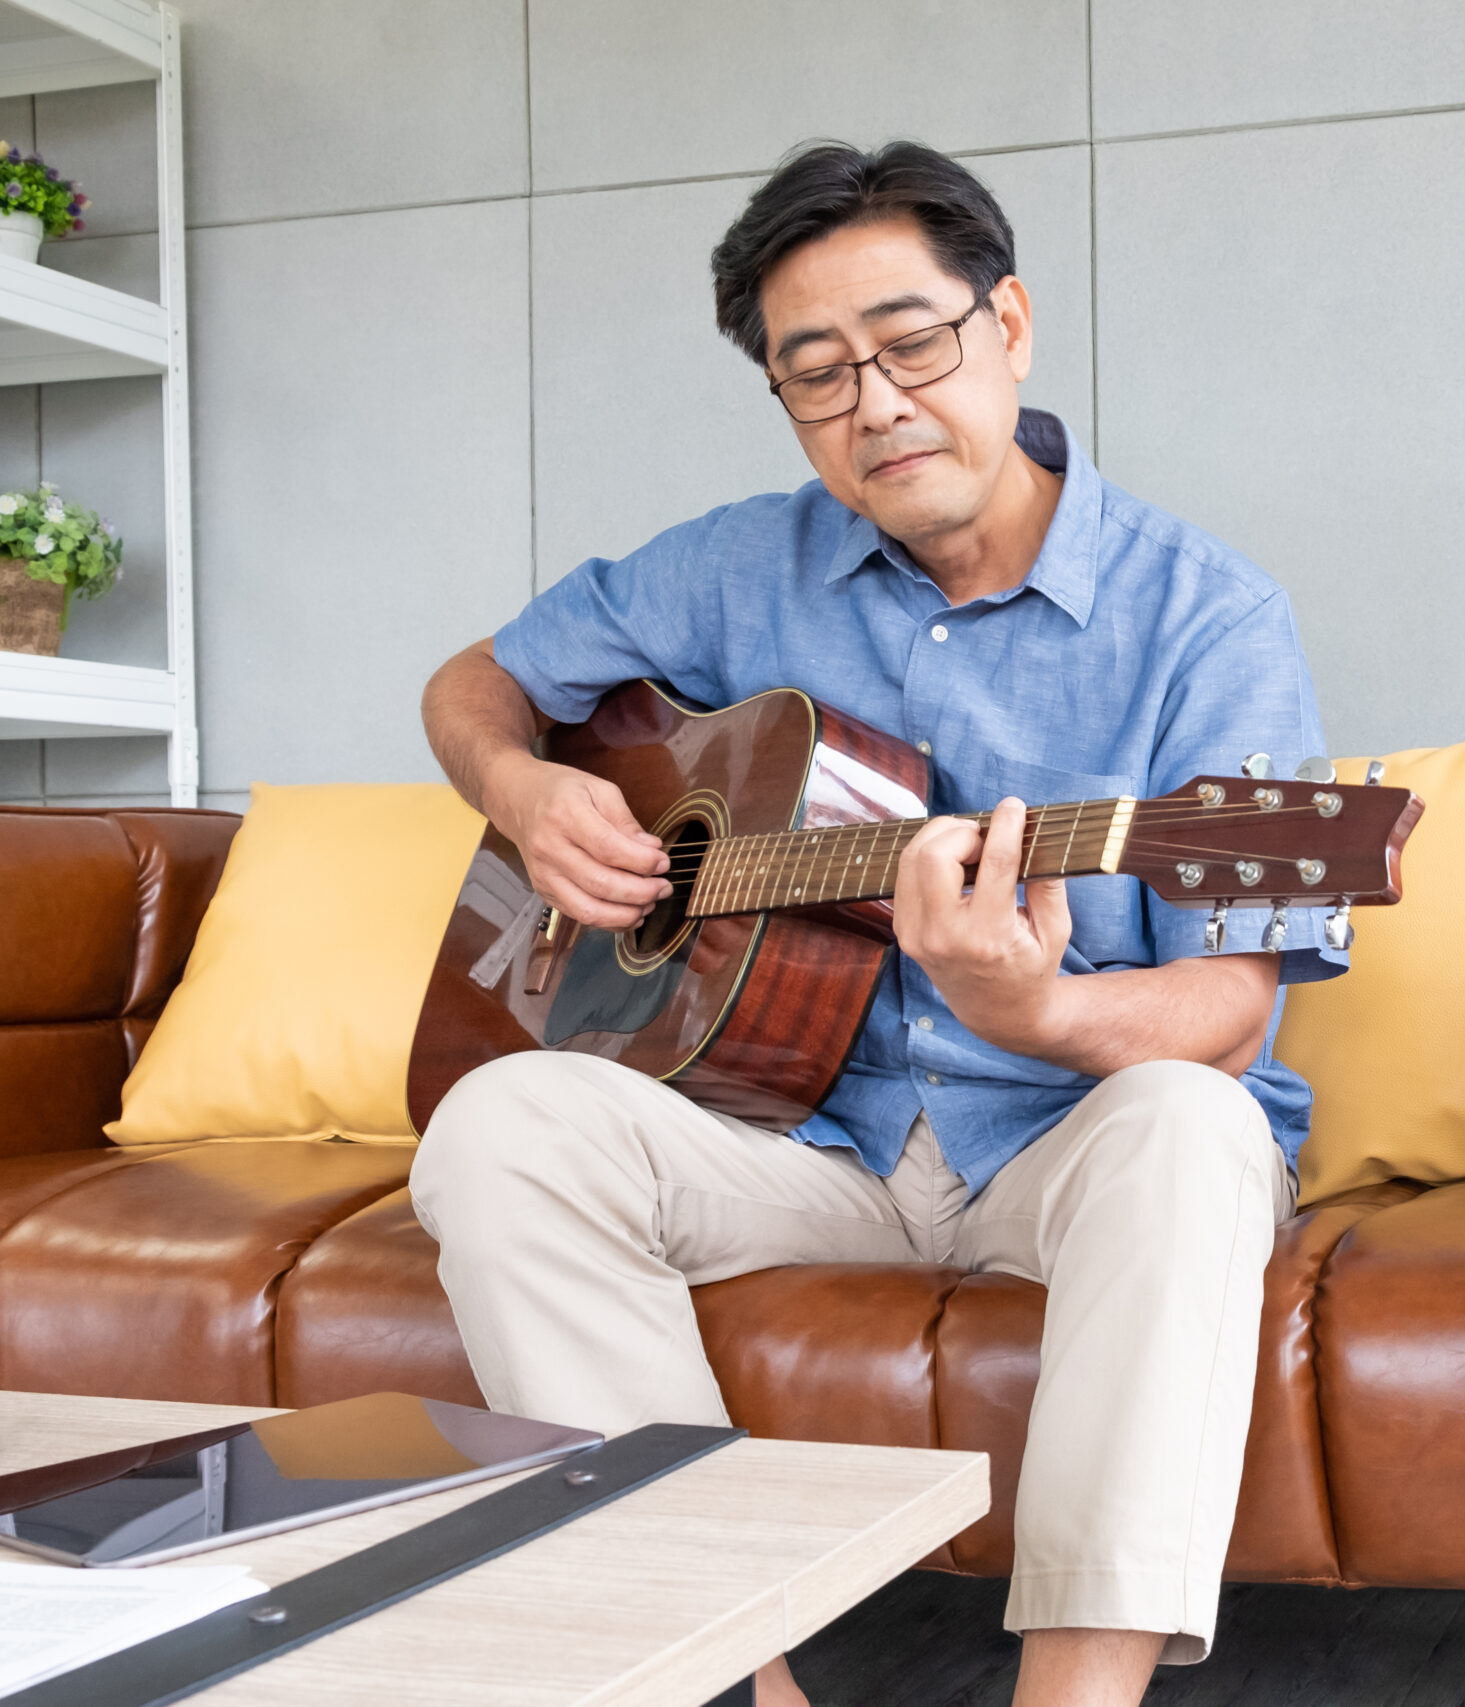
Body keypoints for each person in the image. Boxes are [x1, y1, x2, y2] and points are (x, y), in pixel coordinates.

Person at [413, 140, 1341, 1707]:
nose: (877, 403)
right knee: (498, 1127)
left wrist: (1039, 1013)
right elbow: (472, 684)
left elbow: (1230, 1014)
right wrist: (517, 789)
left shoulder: (1209, 618)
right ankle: (730, 1677)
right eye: (818, 372)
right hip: (799, 1135)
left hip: (1072, 1136)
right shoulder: (727, 568)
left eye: (914, 342)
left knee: (1193, 1124)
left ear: (1012, 326)